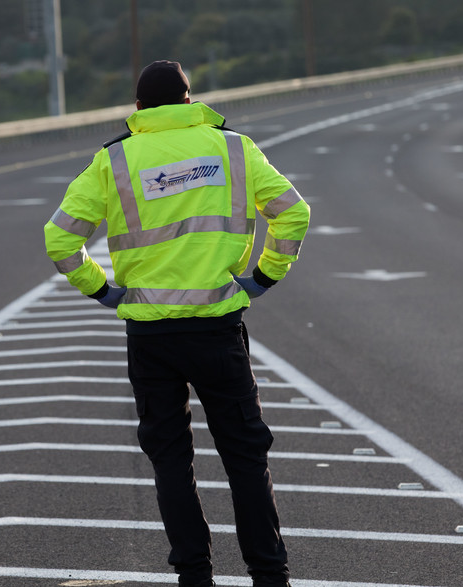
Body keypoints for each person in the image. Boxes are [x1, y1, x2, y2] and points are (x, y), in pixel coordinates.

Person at [44, 60, 310, 587]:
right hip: (217, 325)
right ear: (190, 102)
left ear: (139, 109)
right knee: (245, 457)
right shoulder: (233, 148)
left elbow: (60, 240)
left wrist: (103, 290)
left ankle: (194, 573)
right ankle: (269, 573)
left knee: (170, 459)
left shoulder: (113, 161)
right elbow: (293, 213)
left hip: (150, 335)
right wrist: (263, 277)